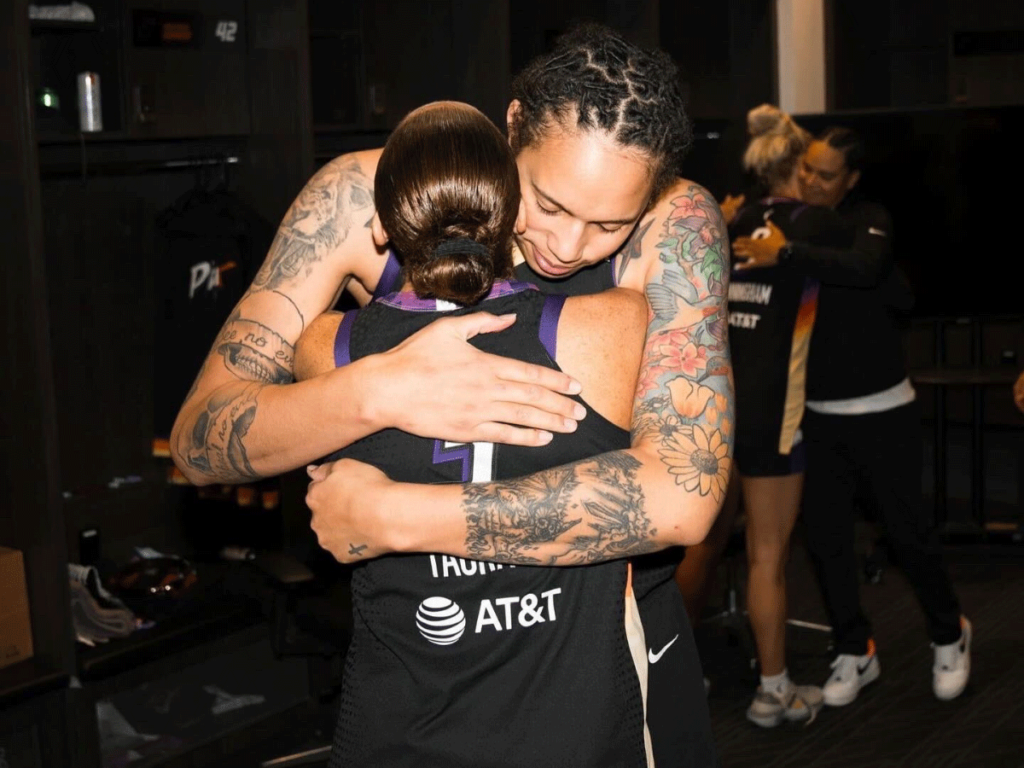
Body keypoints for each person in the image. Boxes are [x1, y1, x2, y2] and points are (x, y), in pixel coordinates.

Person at [171, 24, 729, 768]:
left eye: (608, 226)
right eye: (548, 204)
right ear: (511, 130)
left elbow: (682, 494)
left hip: (605, 657)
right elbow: (200, 438)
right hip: (420, 665)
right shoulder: (361, 199)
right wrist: (379, 390)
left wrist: (395, 516)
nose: (567, 247)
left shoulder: (677, 225)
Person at [302, 99, 658, 766]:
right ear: (511, 215)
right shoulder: (613, 325)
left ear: (381, 226)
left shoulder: (326, 347)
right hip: (570, 733)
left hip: (403, 733)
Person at [723, 125, 971, 706]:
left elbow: (865, 268)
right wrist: (730, 216)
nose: (811, 180)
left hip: (883, 410)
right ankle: (854, 650)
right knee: (828, 542)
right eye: (806, 169)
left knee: (908, 536)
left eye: (826, 174)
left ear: (852, 180)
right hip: (815, 414)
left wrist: (781, 252)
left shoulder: (865, 219)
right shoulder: (792, 221)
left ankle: (949, 633)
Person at [675, 104, 853, 728]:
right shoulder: (818, 223)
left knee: (701, 542)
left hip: (717, 407)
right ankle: (773, 691)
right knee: (767, 555)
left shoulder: (734, 218)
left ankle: (670, 675)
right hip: (776, 412)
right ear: (798, 168)